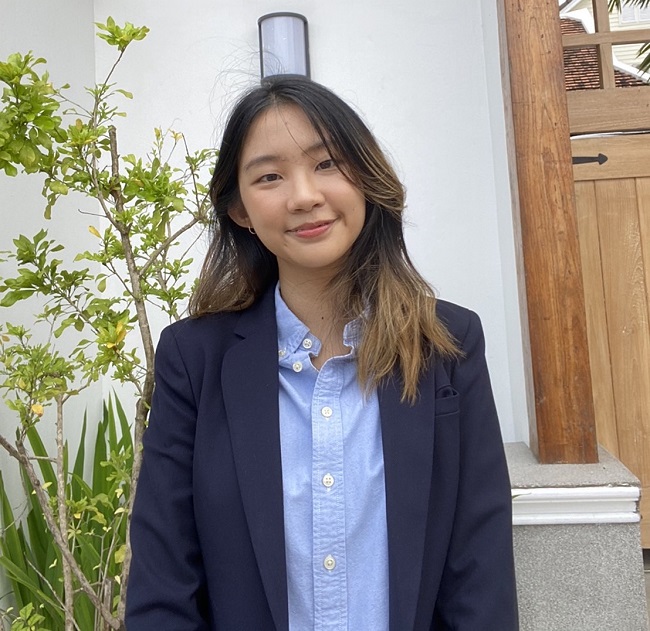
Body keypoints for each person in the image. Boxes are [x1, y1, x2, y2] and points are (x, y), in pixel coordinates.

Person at [125, 76, 519, 630]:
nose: (304, 196)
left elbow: (480, 572)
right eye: (269, 176)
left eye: (327, 163)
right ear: (239, 208)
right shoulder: (194, 361)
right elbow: (164, 584)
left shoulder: (446, 344)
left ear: (367, 177)